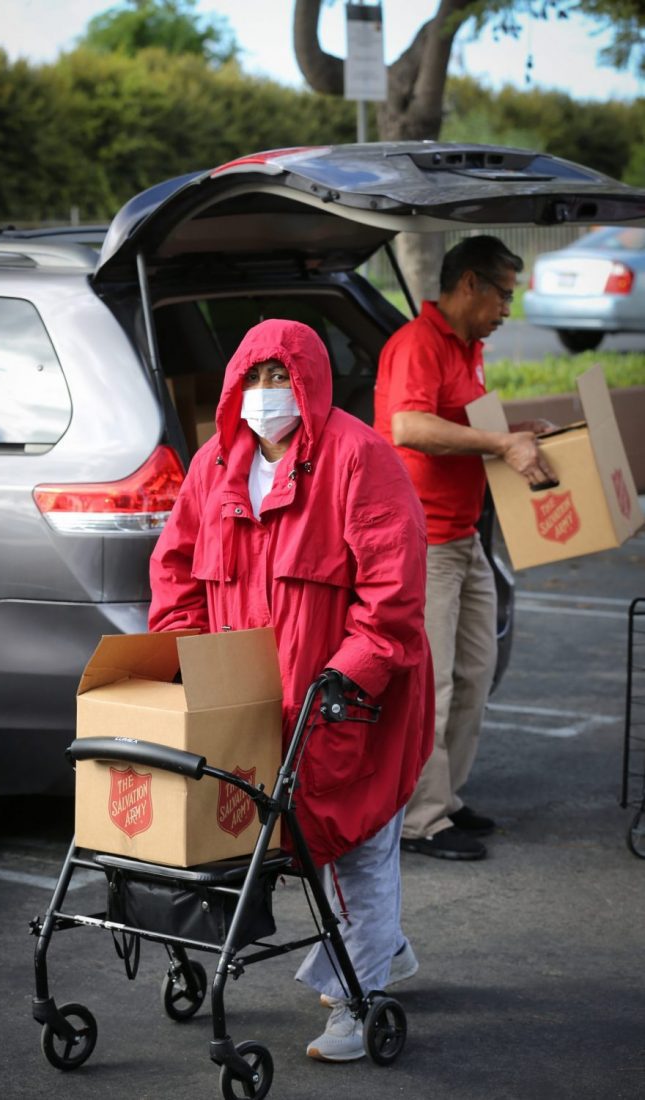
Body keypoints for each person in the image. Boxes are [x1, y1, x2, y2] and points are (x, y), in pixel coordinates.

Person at [149, 317, 434, 1062]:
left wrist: (348, 676)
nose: (267, 394)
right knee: (300, 845)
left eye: (280, 378)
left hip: (352, 701)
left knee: (356, 845)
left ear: (309, 383)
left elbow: (392, 598)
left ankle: (354, 1001)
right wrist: (192, 660)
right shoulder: (214, 464)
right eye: (254, 378)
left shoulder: (359, 459)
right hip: (253, 704)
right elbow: (175, 571)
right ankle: (381, 953)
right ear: (234, 385)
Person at [374, 235, 557, 862]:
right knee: (434, 683)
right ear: (470, 284)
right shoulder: (418, 345)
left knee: (475, 673)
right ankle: (421, 820)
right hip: (420, 538)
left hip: (463, 533)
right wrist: (500, 444)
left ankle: (445, 798)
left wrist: (512, 434)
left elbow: (464, 425)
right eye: (503, 294)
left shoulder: (469, 347)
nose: (508, 310)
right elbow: (409, 426)